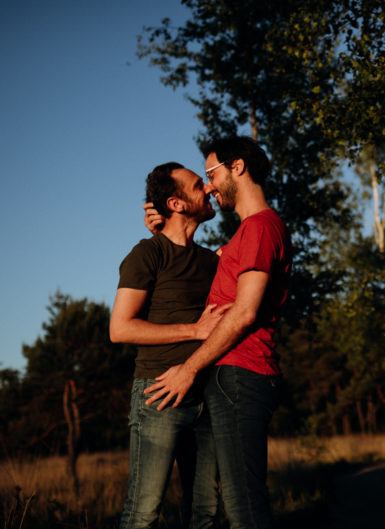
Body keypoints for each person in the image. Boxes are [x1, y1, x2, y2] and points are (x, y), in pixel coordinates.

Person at [144, 136, 292, 529]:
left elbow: (244, 313)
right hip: (234, 377)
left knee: (244, 505)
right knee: (237, 500)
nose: (209, 185)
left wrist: (188, 369)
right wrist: (163, 230)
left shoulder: (260, 228)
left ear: (237, 168)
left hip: (242, 374)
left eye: (211, 173)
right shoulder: (246, 235)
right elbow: (195, 262)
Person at [110, 162, 227, 529]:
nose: (207, 189)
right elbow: (121, 329)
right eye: (197, 185)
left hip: (207, 395)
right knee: (143, 513)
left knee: (205, 514)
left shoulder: (212, 260)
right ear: (176, 204)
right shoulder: (147, 253)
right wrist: (195, 331)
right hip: (158, 394)